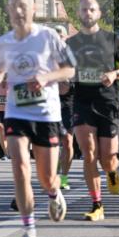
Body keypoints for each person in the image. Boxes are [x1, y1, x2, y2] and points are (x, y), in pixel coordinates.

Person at [0, 0, 74, 237]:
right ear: (9, 11)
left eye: (23, 5)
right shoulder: (4, 42)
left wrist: (46, 78)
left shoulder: (47, 36)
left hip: (46, 114)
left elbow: (70, 68)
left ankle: (53, 193)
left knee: (46, 177)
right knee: (20, 167)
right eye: (14, 6)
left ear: (33, 9)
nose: (19, 10)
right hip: (17, 112)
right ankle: (29, 230)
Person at [68, 0, 119, 221]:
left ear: (99, 14)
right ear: (79, 14)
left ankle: (112, 171)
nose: (87, 13)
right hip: (82, 102)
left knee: (108, 159)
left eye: (92, 9)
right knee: (89, 154)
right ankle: (97, 204)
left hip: (108, 102)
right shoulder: (71, 43)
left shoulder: (111, 39)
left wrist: (115, 74)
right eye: (84, 9)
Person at [54, 24, 75, 190]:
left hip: (69, 103)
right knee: (52, 142)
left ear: (66, 38)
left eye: (61, 36)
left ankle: (64, 178)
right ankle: (52, 175)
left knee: (68, 141)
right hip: (50, 101)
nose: (58, 39)